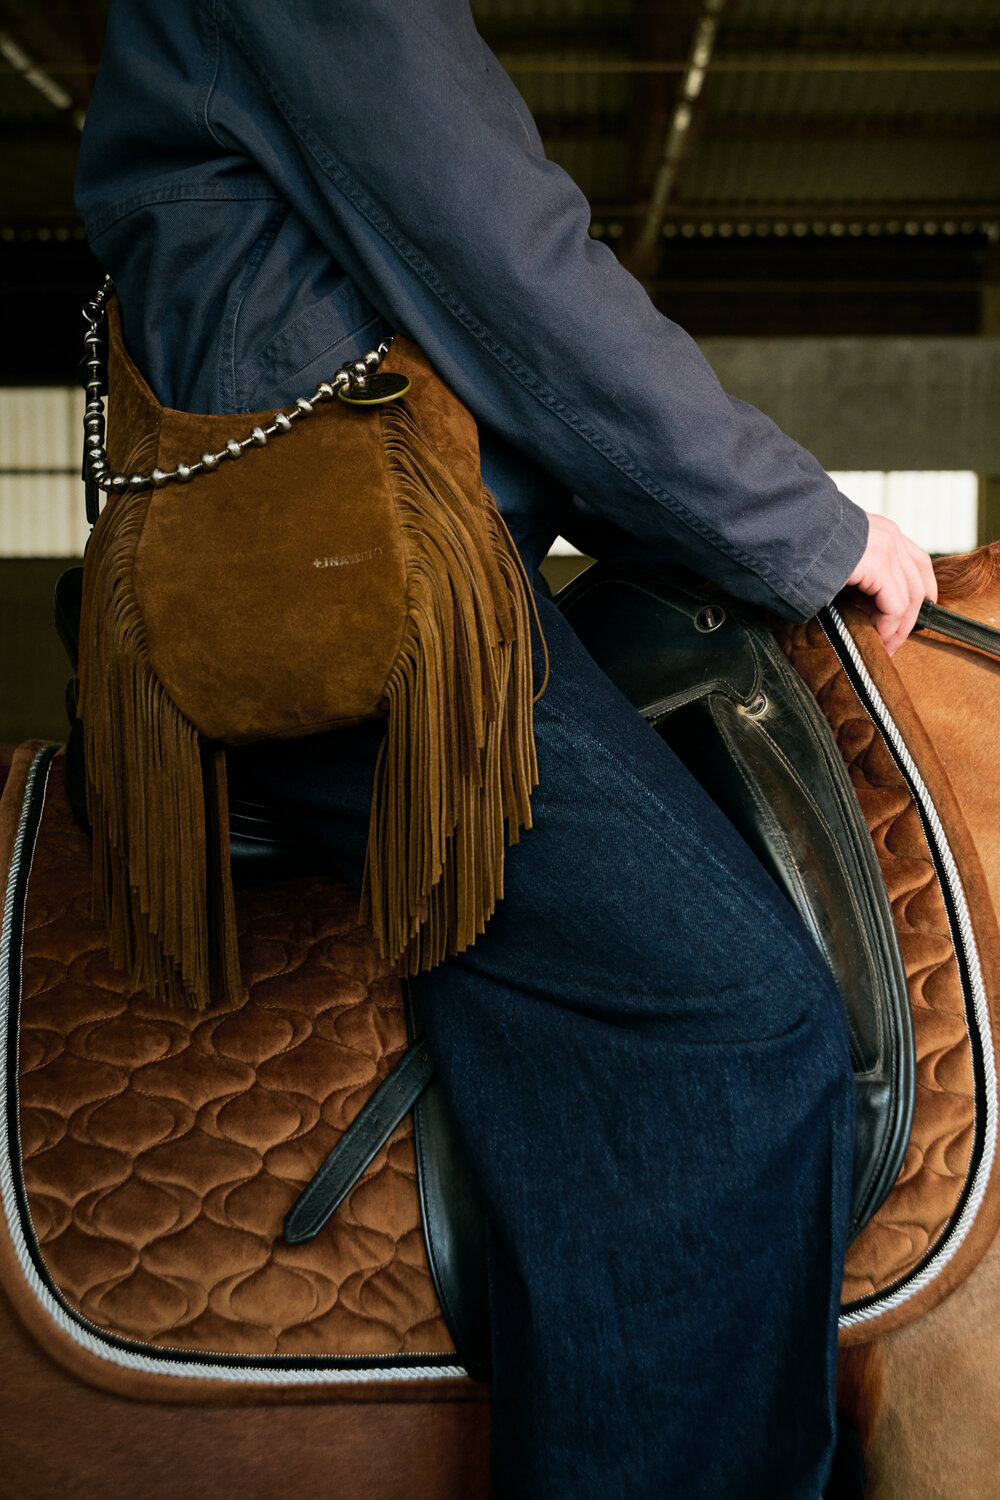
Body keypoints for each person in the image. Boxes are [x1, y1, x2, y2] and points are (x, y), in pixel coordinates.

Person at [74, 3, 935, 1495]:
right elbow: (510, 269)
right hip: (355, 592)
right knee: (730, 1015)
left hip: (388, 551)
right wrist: (807, 526)